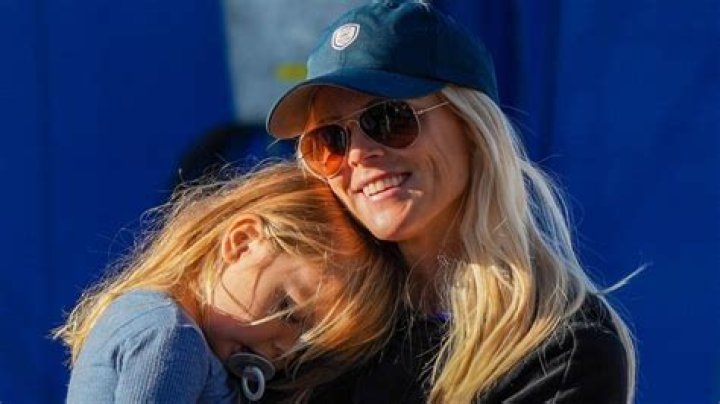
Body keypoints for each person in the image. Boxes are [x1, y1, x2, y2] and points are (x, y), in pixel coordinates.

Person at [265, 0, 637, 402]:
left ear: (472, 129)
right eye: (330, 140)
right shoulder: (308, 322)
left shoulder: (560, 348)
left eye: (388, 119)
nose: (358, 154)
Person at [54, 162, 404, 403]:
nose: (286, 348)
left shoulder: (158, 324)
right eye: (288, 309)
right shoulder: (172, 340)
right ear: (243, 243)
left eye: (308, 346)